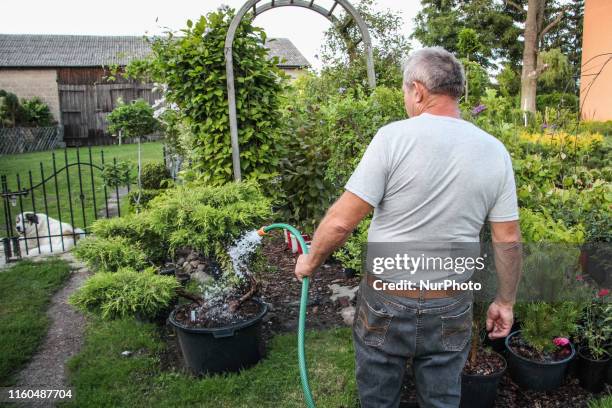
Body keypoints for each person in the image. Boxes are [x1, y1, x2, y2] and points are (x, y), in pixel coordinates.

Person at [293, 47, 522, 408]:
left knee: (378, 399)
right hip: (450, 303)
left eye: (404, 90)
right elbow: (507, 238)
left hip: (386, 300)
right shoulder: (494, 151)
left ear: (417, 90)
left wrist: (310, 262)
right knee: (442, 400)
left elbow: (341, 222)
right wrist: (505, 301)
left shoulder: (392, 138)